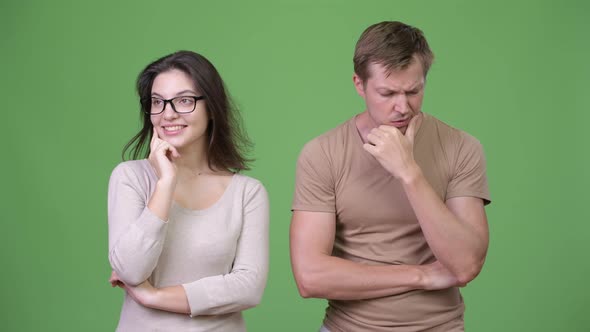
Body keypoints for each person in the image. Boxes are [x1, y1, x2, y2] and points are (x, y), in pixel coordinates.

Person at [290, 21, 491, 332]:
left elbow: (465, 265)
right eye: (387, 93)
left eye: (414, 91)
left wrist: (409, 172)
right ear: (359, 84)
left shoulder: (461, 147)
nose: (403, 106)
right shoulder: (322, 154)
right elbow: (310, 276)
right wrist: (421, 276)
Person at [107, 50, 269, 332]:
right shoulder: (130, 178)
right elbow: (131, 269)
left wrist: (153, 296)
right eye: (158, 102)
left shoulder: (247, 193)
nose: (168, 114)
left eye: (184, 101)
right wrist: (166, 183)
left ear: (211, 107)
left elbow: (248, 288)